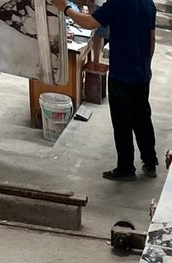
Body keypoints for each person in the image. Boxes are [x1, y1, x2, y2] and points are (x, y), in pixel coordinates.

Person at [54, 0, 158, 181]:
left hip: (121, 74)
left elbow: (89, 22)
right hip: (141, 74)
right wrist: (145, 65)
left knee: (122, 123)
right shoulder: (148, 4)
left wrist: (65, 8)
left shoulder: (118, 3)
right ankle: (150, 162)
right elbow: (152, 40)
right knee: (142, 118)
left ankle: (126, 168)